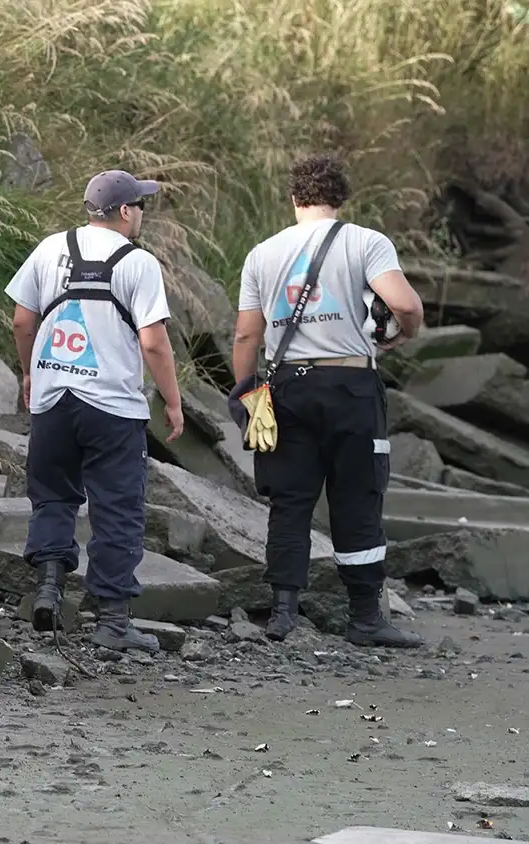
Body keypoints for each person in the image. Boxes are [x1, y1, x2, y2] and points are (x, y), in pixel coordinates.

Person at [230, 153, 426, 648]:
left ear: (294, 199)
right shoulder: (366, 242)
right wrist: (405, 333)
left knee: (289, 502)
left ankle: (282, 613)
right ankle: (364, 618)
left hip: (283, 388)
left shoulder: (261, 253)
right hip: (350, 387)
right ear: (341, 199)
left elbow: (245, 337)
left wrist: (250, 393)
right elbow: (403, 303)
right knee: (358, 495)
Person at [3, 169, 184, 653]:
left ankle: (48, 587)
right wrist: (172, 399)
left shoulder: (49, 248)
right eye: (139, 206)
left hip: (53, 398)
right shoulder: (138, 263)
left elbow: (23, 319)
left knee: (53, 496)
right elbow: (154, 342)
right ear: (124, 212)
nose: (142, 214)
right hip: (112, 407)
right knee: (117, 508)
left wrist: (28, 372)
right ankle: (112, 620)